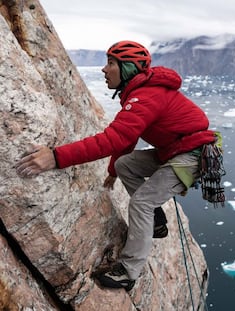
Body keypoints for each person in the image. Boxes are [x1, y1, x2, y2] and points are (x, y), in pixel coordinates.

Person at [15, 40, 218, 291]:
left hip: (191, 156)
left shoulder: (147, 95)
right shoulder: (139, 93)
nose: (103, 69)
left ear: (129, 68)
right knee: (126, 164)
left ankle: (128, 271)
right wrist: (113, 170)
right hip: (177, 151)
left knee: (142, 201)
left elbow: (112, 139)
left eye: (111, 63)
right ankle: (155, 221)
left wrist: (55, 157)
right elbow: (127, 138)